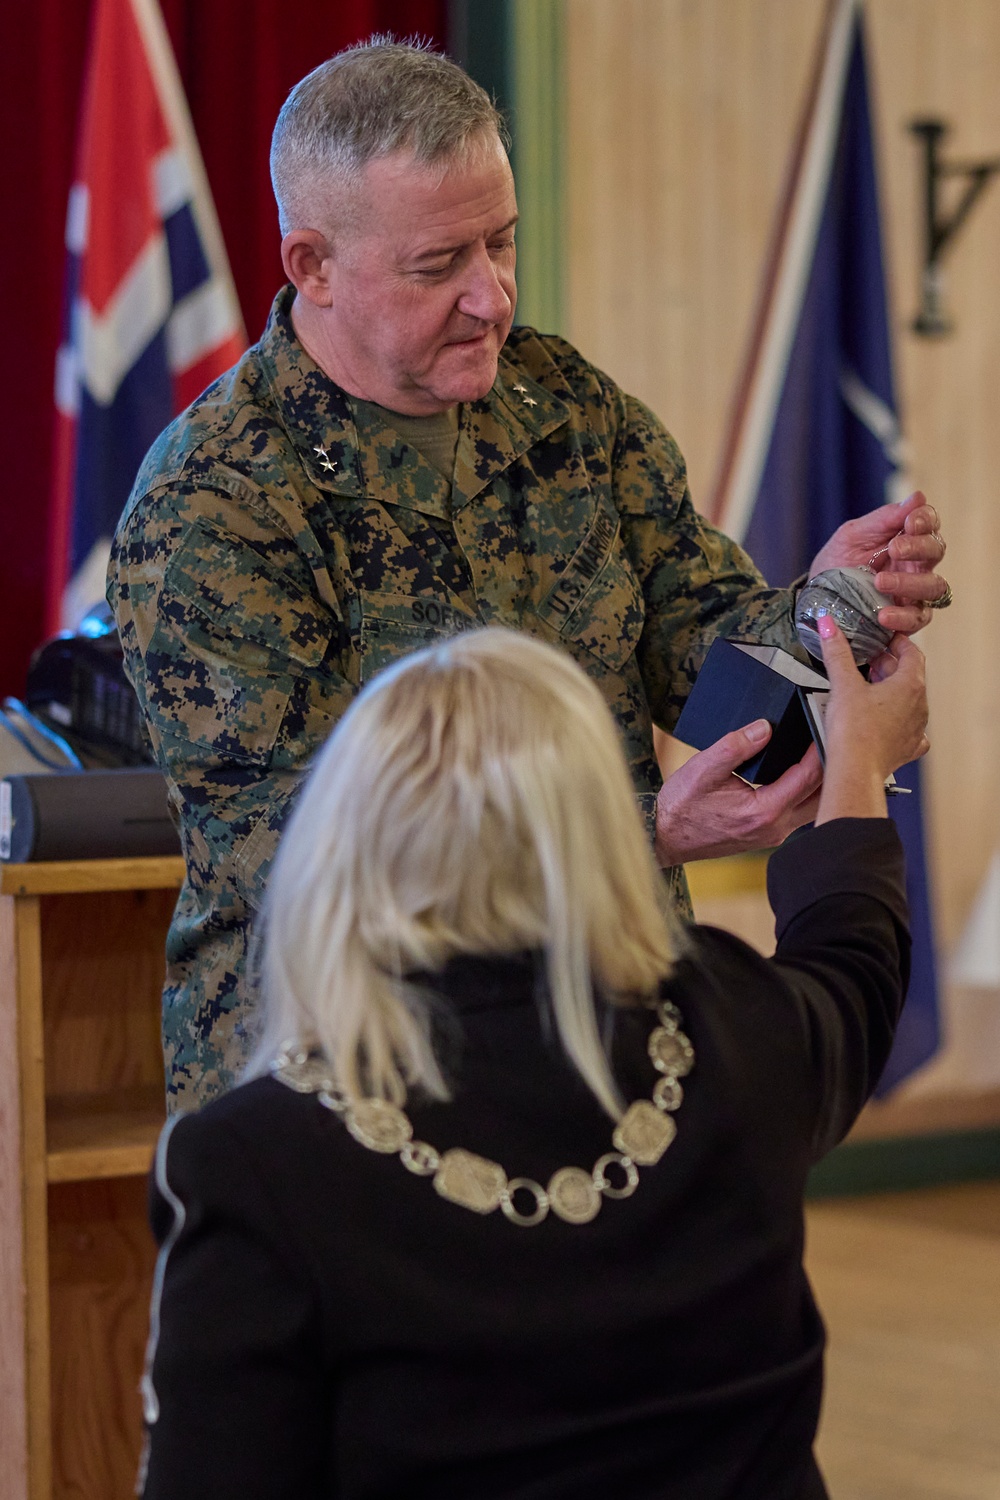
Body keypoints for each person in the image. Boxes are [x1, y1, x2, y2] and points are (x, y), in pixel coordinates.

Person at [108, 38, 948, 1110]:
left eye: (501, 244)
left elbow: (702, 649)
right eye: (438, 264)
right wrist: (630, 839)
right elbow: (306, 852)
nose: (490, 297)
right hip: (341, 1079)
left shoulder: (565, 406)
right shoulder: (214, 502)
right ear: (311, 266)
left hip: (596, 1031)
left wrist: (830, 614)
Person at [137, 618, 927, 1500]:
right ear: (597, 831)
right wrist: (854, 762)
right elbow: (855, 963)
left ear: (342, 847)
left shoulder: (254, 1162)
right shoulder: (732, 1023)